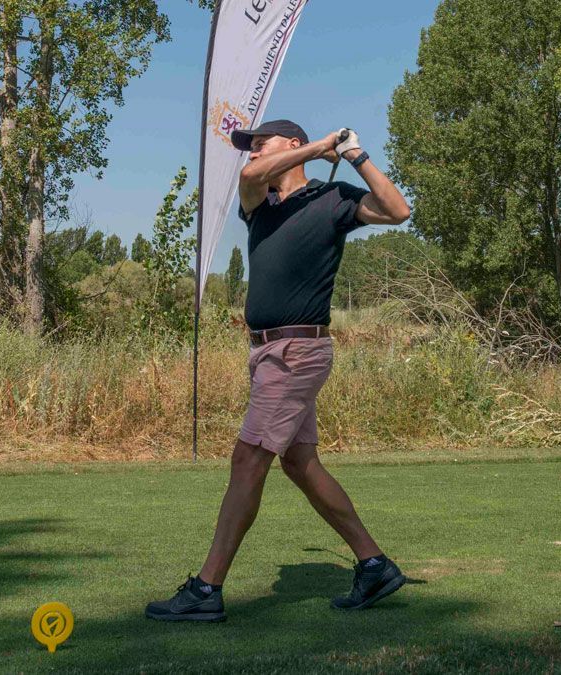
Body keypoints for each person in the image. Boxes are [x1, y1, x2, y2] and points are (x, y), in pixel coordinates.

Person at [146, 120, 411, 621]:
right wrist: (321, 146)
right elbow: (255, 176)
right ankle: (374, 565)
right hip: (268, 353)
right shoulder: (258, 204)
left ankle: (206, 590)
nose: (250, 157)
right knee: (300, 464)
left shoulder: (333, 200)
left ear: (290, 145)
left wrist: (355, 156)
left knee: (248, 461)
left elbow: (398, 210)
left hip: (296, 353)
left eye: (259, 144)